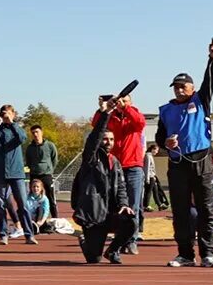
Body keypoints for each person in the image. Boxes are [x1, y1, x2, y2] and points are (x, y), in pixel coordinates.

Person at [156, 39, 213, 267]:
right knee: (181, 211)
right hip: (177, 165)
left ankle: (208, 253)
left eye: (183, 86)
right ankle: (185, 253)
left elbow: (210, 82)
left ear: (192, 88)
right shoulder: (166, 111)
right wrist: (166, 143)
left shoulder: (200, 100)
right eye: (175, 86)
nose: (179, 89)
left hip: (201, 161)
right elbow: (159, 139)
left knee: (205, 209)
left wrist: (212, 60)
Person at [72, 98, 136, 264]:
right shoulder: (91, 159)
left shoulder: (115, 161)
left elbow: (121, 187)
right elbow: (94, 138)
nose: (109, 142)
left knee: (131, 222)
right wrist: (106, 113)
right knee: (93, 259)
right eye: (105, 139)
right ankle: (86, 242)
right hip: (93, 215)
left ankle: (113, 250)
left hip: (111, 213)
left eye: (112, 140)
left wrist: (123, 205)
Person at [94, 94, 146, 252]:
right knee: (114, 204)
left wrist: (126, 107)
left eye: (126, 101)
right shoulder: (112, 117)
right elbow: (96, 125)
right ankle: (118, 240)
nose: (121, 104)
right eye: (120, 101)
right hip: (114, 166)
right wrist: (103, 108)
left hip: (133, 167)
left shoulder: (135, 115)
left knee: (133, 206)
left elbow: (140, 123)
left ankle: (131, 241)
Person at [0, 105, 37, 245]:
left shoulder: (16, 128)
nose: (5, 115)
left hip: (16, 172)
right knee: (0, 205)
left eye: (8, 113)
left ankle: (28, 234)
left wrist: (11, 122)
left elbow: (22, 138)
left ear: (13, 114)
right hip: (0, 172)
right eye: (3, 113)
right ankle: (3, 234)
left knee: (23, 204)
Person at [23, 125, 59, 219]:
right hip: (34, 175)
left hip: (47, 175)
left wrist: (49, 169)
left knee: (51, 197)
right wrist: (33, 168)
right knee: (33, 196)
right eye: (33, 133)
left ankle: (55, 218)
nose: (35, 134)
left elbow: (54, 159)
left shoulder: (50, 145)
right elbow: (28, 161)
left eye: (37, 132)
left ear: (41, 132)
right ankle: (34, 217)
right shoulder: (30, 148)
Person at [142, 143, 168, 211]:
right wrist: (147, 179)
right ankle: (146, 205)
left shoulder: (150, 156)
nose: (157, 152)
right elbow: (146, 168)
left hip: (153, 176)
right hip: (150, 177)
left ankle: (159, 204)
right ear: (153, 149)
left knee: (156, 190)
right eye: (156, 150)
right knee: (149, 191)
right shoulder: (148, 156)